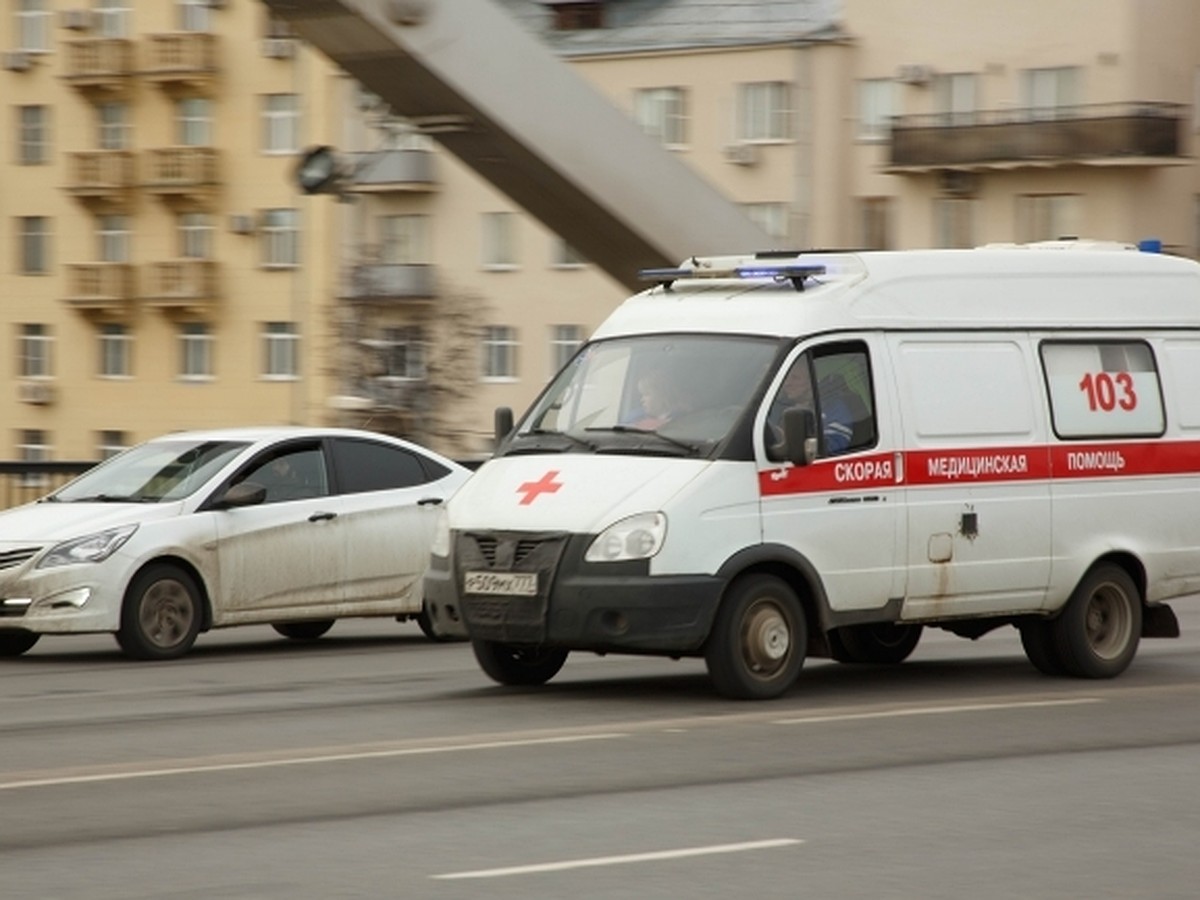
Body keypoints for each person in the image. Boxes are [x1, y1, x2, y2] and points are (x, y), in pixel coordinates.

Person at [766, 358, 854, 457]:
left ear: (811, 380)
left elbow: (832, 447)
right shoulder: (774, 404)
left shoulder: (833, 407)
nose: (787, 383)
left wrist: (790, 439)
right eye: (786, 377)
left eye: (795, 378)